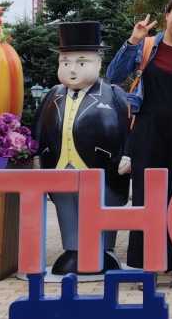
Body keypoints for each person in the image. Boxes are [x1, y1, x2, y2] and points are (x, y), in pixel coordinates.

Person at [106, 0, 172, 286]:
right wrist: (133, 40)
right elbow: (114, 75)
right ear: (167, 14)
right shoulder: (146, 46)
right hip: (146, 136)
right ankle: (147, 268)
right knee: (146, 201)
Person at [34, 21, 129, 279]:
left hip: (102, 165)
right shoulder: (53, 95)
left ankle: (104, 249)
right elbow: (39, 127)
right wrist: (35, 154)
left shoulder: (112, 94)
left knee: (102, 205)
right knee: (66, 206)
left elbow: (128, 126)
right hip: (59, 165)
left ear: (98, 63)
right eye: (65, 63)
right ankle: (72, 249)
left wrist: (128, 153)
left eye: (81, 62)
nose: (72, 69)